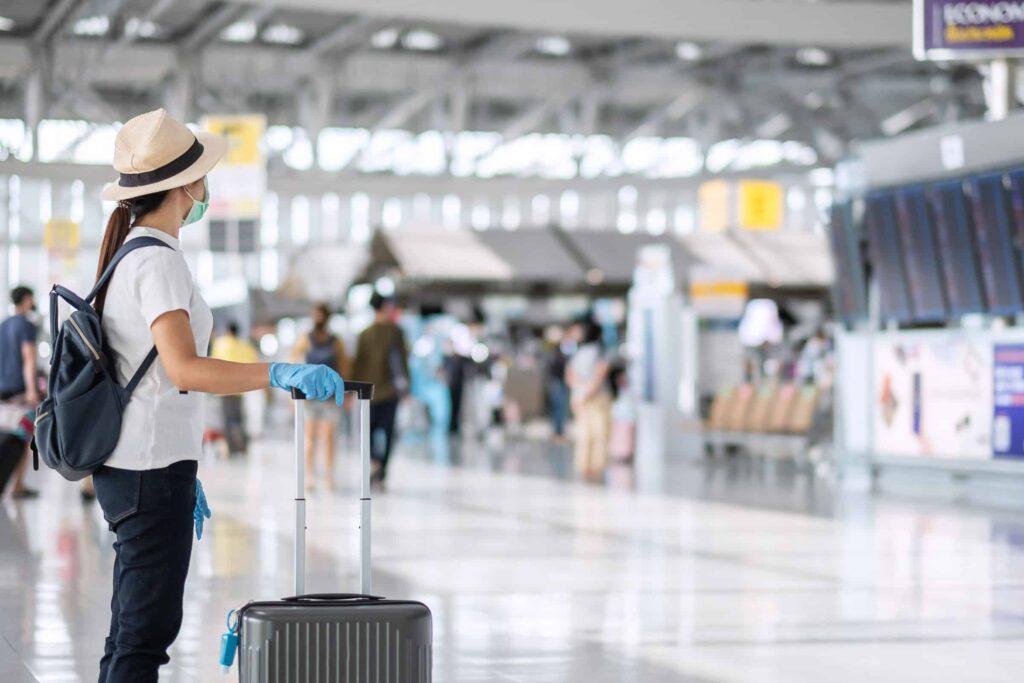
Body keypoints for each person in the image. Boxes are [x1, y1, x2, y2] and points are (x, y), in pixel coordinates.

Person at [90, 108, 345, 683]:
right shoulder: (155, 260)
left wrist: (179, 466)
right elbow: (184, 368)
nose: (207, 187)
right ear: (185, 187)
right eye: (202, 175)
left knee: (131, 630)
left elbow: (151, 373)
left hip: (143, 465)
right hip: (148, 471)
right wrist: (276, 373)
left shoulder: (133, 252)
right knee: (143, 638)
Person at [351, 292, 408, 489]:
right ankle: (380, 467)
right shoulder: (396, 332)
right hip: (388, 392)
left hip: (370, 392)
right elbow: (403, 362)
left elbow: (357, 364)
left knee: (369, 431)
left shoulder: (365, 334)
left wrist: (352, 390)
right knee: (388, 431)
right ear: (383, 307)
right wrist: (406, 389)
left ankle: (376, 463)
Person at [290, 303, 348, 491]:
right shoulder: (306, 339)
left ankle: (329, 474)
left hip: (330, 395)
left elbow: (344, 365)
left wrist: (345, 391)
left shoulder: (335, 341)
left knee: (330, 436)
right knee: (310, 437)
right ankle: (310, 475)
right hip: (309, 396)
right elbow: (294, 361)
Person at [0, 286, 39, 499]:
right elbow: (29, 358)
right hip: (19, 391)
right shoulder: (26, 325)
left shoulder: (3, 324)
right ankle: (17, 484)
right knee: (24, 435)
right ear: (26, 300)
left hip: (2, 389)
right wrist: (32, 390)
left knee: (5, 433)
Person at [566, 318, 612, 481]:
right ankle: (589, 467)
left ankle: (592, 467)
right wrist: (585, 391)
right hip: (591, 396)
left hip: (590, 396)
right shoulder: (585, 351)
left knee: (594, 433)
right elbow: (572, 375)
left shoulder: (590, 352)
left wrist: (581, 392)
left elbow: (598, 373)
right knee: (591, 433)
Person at [210, 322, 260, 455]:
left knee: (227, 419)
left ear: (227, 331)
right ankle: (243, 447)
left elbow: (214, 363)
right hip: (239, 388)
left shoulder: (220, 343)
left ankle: (231, 448)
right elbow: (253, 361)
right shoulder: (244, 345)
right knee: (239, 418)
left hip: (223, 388)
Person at [545, 326, 570, 443]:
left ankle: (559, 432)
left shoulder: (561, 353)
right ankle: (557, 432)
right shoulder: (554, 354)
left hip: (559, 383)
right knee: (558, 409)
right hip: (558, 383)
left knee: (560, 409)